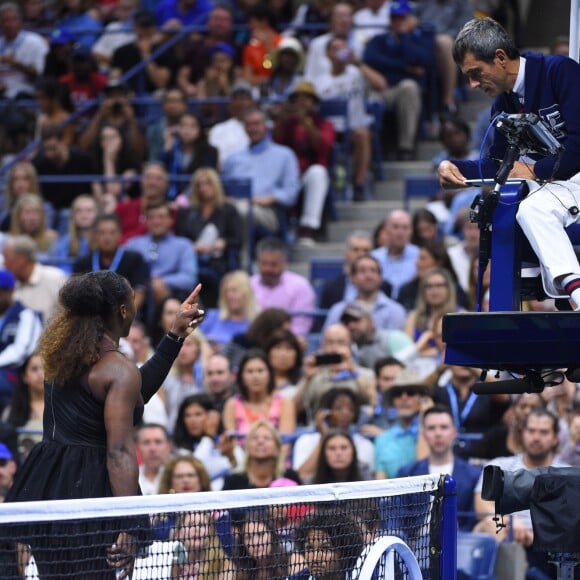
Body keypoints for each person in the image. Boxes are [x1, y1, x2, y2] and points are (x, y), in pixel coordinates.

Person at [3, 274, 205, 577]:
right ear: (122, 311)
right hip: (92, 492)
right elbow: (120, 452)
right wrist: (130, 523)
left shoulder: (60, 355)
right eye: (133, 304)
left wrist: (174, 336)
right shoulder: (118, 369)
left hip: (47, 482)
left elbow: (134, 395)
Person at [437, 17, 580, 308]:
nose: (472, 83)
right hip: (561, 188)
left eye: (476, 73)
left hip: (572, 178)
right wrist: (452, 166)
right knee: (529, 208)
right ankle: (576, 291)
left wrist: (533, 170)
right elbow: (496, 164)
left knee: (532, 207)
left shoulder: (560, 71)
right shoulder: (504, 102)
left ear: (500, 57)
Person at [473, 409, 569, 576]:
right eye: (531, 431)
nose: (536, 437)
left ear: (555, 438)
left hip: (549, 546)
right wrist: (508, 521)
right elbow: (482, 505)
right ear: (523, 434)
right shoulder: (499, 466)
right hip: (507, 537)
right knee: (489, 523)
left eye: (544, 432)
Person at [362, 0, 436, 160]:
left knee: (408, 86)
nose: (397, 22)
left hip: (405, 89)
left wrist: (404, 36)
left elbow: (423, 60)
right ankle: (373, 151)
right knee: (370, 96)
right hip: (382, 89)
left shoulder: (422, 37)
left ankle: (406, 148)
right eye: (394, 18)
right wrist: (405, 68)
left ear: (411, 19)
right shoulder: (380, 39)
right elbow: (371, 58)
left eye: (402, 18)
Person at [397, 404, 481, 531]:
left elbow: (473, 521)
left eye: (444, 427)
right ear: (424, 434)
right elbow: (397, 520)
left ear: (454, 432)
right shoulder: (406, 474)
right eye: (431, 428)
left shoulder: (474, 475)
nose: (438, 433)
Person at [221, 108, 301, 236]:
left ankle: (244, 255)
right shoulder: (234, 158)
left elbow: (291, 193)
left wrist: (268, 198)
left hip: (269, 211)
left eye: (257, 124)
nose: (253, 129)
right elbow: (223, 186)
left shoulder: (285, 155)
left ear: (266, 126)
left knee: (241, 210)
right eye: (248, 125)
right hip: (235, 205)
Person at [273, 80, 335, 243]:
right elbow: (274, 149)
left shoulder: (324, 123)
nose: (301, 102)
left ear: (314, 103)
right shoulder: (287, 123)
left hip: (307, 174)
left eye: (306, 98)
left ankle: (307, 228)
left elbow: (324, 147)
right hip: (285, 176)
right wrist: (280, 121)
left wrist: (306, 122)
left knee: (318, 173)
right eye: (297, 98)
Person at [174, 168, 244, 304]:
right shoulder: (188, 212)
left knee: (211, 276)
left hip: (220, 261)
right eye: (199, 185)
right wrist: (192, 246)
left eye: (207, 183)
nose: (203, 188)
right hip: (193, 260)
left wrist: (223, 243)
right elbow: (180, 238)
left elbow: (238, 239)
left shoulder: (228, 210)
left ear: (215, 185)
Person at [294, 323, 376, 424]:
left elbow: (373, 403)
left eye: (341, 343)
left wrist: (353, 372)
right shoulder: (313, 375)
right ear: (322, 346)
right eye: (330, 343)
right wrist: (307, 379)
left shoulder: (365, 374)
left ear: (350, 347)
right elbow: (295, 409)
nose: (334, 348)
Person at [293, 387, 374, 483]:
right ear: (325, 411)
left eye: (351, 410)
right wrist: (325, 437)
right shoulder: (306, 440)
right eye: (338, 408)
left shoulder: (364, 444)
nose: (345, 413)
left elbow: (363, 476)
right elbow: (302, 476)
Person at [73, 213, 149, 313]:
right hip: (92, 317)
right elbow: (78, 297)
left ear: (120, 234)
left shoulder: (134, 259)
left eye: (112, 232)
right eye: (102, 233)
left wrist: (123, 318)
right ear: (95, 235)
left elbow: (139, 293)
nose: (107, 237)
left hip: (125, 316)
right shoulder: (82, 263)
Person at [125, 201, 197, 304]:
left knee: (158, 288)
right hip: (136, 292)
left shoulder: (184, 245)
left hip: (172, 297)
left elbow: (189, 278)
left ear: (170, 220)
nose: (156, 222)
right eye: (151, 217)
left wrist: (163, 281)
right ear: (145, 220)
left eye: (161, 217)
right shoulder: (133, 244)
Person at [222, 349, 296, 443]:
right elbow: (231, 444)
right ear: (241, 377)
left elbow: (285, 444)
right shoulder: (232, 405)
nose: (255, 376)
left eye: (260, 371)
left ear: (270, 374)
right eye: (250, 371)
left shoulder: (285, 403)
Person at [172, 393, 243, 487]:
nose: (192, 420)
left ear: (212, 416)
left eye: (198, 414)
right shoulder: (181, 450)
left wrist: (231, 457)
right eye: (187, 416)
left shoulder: (225, 440)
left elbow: (242, 470)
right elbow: (194, 469)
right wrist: (208, 437)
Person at [251, 237, 316, 336]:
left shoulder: (300, 286)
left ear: (285, 263)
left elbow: (300, 327)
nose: (268, 269)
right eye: (264, 264)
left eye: (273, 264)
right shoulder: (248, 285)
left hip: (287, 344)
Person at [323, 254, 406, 332]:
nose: (368, 276)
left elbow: (398, 346)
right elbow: (325, 344)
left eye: (373, 271)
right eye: (362, 271)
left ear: (381, 278)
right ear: (352, 278)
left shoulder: (395, 311)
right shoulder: (338, 310)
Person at [319, 230, 393, 310]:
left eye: (365, 250)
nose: (361, 254)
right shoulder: (331, 288)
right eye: (355, 250)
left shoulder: (384, 286)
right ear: (346, 254)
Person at [3, 235, 68, 324]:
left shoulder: (55, 278)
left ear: (22, 258)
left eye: (6, 257)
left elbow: (69, 317)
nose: (4, 263)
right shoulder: (7, 286)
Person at [222, 419, 301, 490]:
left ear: (277, 448)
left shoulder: (290, 476)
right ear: (247, 448)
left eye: (267, 438)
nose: (260, 441)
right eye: (255, 438)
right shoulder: (233, 481)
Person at [374, 379, 430, 479]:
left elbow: (424, 474)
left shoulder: (434, 433)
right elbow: (380, 483)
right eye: (398, 394)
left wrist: (424, 420)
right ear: (393, 401)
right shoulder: (382, 439)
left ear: (422, 399)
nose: (404, 398)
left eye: (411, 392)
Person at [159, 112, 219, 199]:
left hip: (198, 198)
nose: (187, 130)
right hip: (169, 197)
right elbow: (160, 169)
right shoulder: (173, 149)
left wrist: (183, 200)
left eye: (192, 126)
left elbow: (205, 176)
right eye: (183, 126)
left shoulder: (209, 151)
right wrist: (167, 146)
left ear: (199, 129)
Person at [293, 510, 364, 580]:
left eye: (325, 549)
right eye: (310, 548)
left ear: (344, 552)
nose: (315, 558)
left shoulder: (361, 575)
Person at [0, 2, 48, 99]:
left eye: (14, 20)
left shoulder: (35, 42)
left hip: (27, 95)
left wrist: (15, 63)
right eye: (5, 20)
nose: (9, 24)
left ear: (20, 22)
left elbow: (40, 75)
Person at [201, 270, 258, 349]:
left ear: (246, 293)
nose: (229, 296)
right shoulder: (212, 317)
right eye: (226, 291)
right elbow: (196, 342)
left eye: (234, 291)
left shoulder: (256, 323)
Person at [371, 209, 420, 300]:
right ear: (386, 229)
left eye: (405, 228)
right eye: (395, 227)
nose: (400, 232)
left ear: (411, 231)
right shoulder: (373, 258)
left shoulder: (420, 256)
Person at [171, 510, 236, 579]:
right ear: (178, 533)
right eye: (191, 524)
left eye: (201, 525)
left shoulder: (224, 566)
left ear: (210, 531)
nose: (197, 529)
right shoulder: (170, 564)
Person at [2, 354, 45, 457]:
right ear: (25, 377)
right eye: (34, 369)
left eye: (45, 368)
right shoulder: (13, 410)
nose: (40, 373)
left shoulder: (62, 407)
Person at [49, 194, 98, 273]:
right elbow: (60, 271)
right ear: (73, 215)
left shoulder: (103, 241)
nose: (84, 215)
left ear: (97, 213)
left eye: (89, 210)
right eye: (79, 211)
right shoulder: (63, 243)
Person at [235, 512, 289, 579]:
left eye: (260, 534)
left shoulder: (290, 563)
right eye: (248, 537)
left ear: (271, 535)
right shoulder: (238, 571)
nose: (255, 543)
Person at [135, 422, 173, 495]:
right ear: (137, 447)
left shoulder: (180, 476)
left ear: (169, 446)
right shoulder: (129, 479)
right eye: (146, 442)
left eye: (158, 442)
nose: (153, 449)